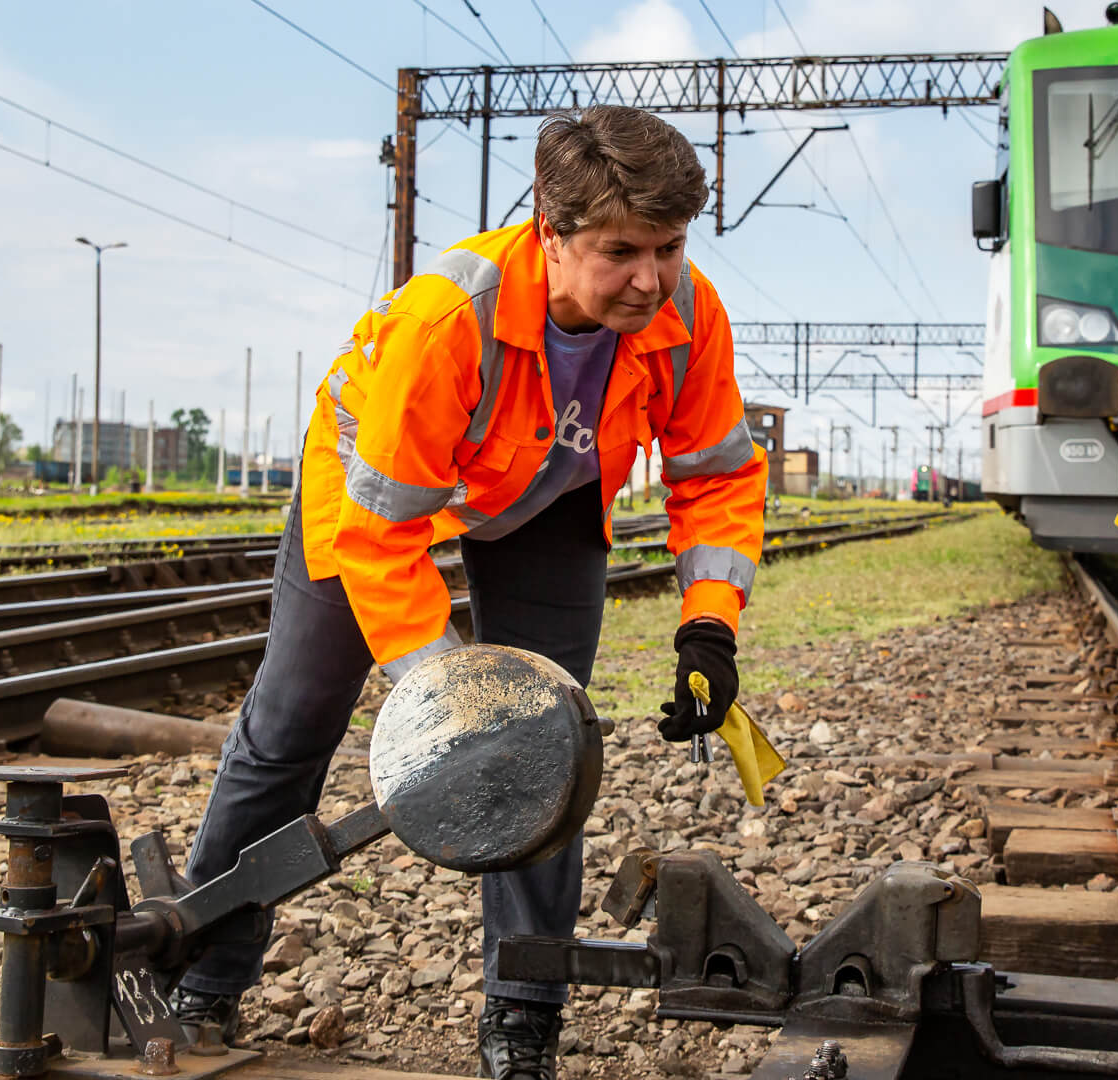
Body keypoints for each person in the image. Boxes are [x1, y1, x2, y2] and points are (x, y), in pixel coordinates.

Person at [166, 105, 767, 1080]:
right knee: (292, 724)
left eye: (669, 247)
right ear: (550, 227)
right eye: (622, 252)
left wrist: (711, 629)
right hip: (375, 493)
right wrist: (443, 693)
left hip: (545, 494)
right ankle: (200, 978)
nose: (651, 279)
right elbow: (382, 530)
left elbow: (717, 476)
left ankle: (522, 1023)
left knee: (544, 747)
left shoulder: (686, 314)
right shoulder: (451, 317)